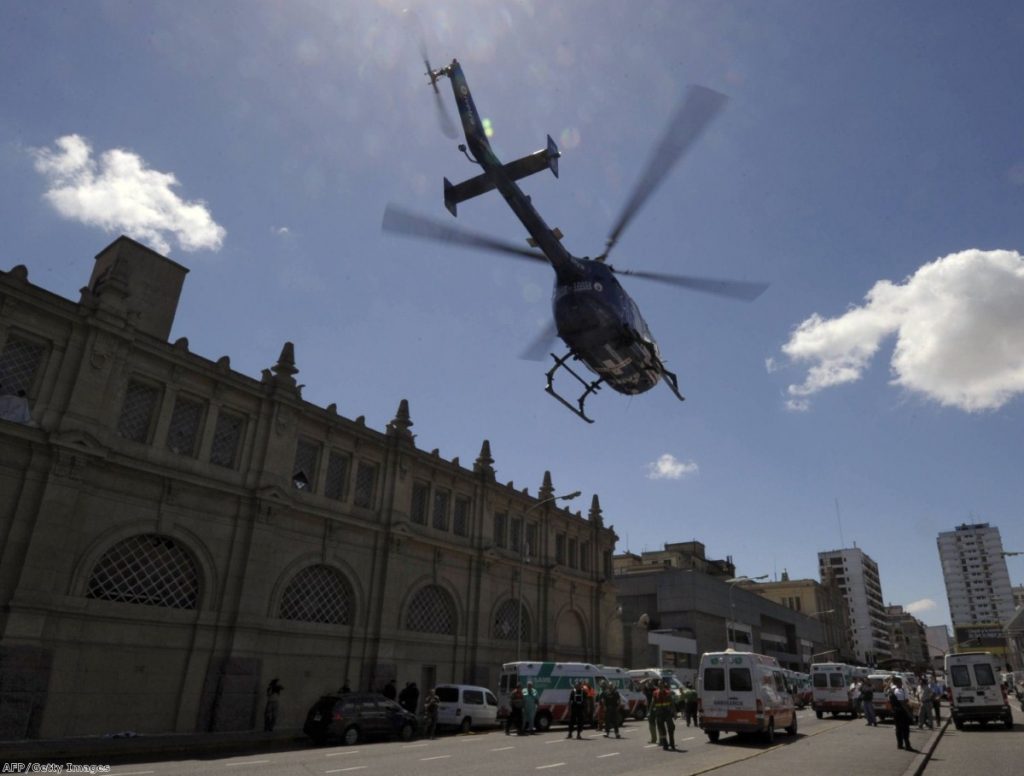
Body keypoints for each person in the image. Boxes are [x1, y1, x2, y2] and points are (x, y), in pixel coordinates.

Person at [889, 676, 914, 751]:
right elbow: (903, 703)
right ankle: (907, 745)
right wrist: (909, 713)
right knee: (905, 729)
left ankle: (900, 744)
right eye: (900, 682)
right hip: (901, 712)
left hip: (896, 711)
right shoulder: (898, 691)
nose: (901, 683)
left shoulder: (893, 690)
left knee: (899, 729)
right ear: (897, 683)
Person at [654, 679, 676, 751]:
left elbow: (672, 703)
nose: (660, 685)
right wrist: (651, 712)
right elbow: (653, 703)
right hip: (659, 714)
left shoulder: (668, 693)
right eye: (659, 684)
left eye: (661, 684)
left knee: (671, 728)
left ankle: (672, 744)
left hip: (667, 713)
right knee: (662, 730)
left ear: (664, 685)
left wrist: (674, 713)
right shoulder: (655, 693)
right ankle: (665, 744)